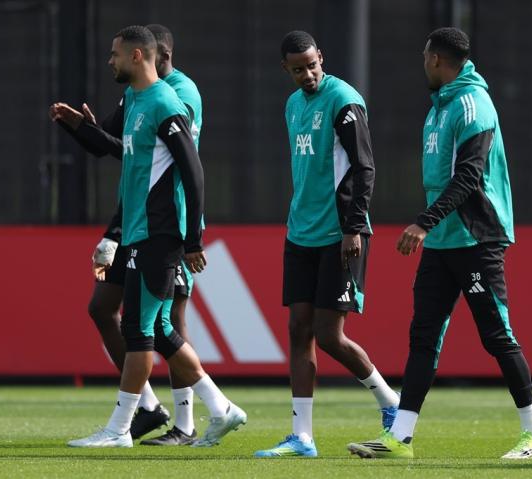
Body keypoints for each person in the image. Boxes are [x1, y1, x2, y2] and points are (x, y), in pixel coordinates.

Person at [346, 27, 532, 460]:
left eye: (425, 56)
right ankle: (400, 438)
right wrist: (432, 227)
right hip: (443, 242)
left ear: (437, 59)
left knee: (497, 336)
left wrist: (424, 222)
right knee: (423, 336)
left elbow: (469, 176)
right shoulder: (440, 106)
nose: (423, 63)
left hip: (476, 238)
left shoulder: (474, 105)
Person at [66, 25, 245, 448]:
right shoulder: (137, 100)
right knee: (158, 329)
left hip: (161, 233)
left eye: (115, 54)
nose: (109, 60)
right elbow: (120, 153)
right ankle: (221, 408)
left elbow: (194, 172)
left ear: (137, 56)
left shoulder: (167, 101)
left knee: (140, 328)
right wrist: (81, 129)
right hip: (138, 230)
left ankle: (120, 429)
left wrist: (192, 239)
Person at [254, 31, 399, 459]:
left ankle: (391, 402)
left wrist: (353, 227)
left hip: (340, 234)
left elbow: (364, 167)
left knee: (329, 336)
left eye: (312, 65)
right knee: (298, 330)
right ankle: (302, 437)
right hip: (300, 232)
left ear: (322, 57)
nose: (307, 74)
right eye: (298, 69)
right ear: (286, 69)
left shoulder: (344, 101)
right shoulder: (292, 105)